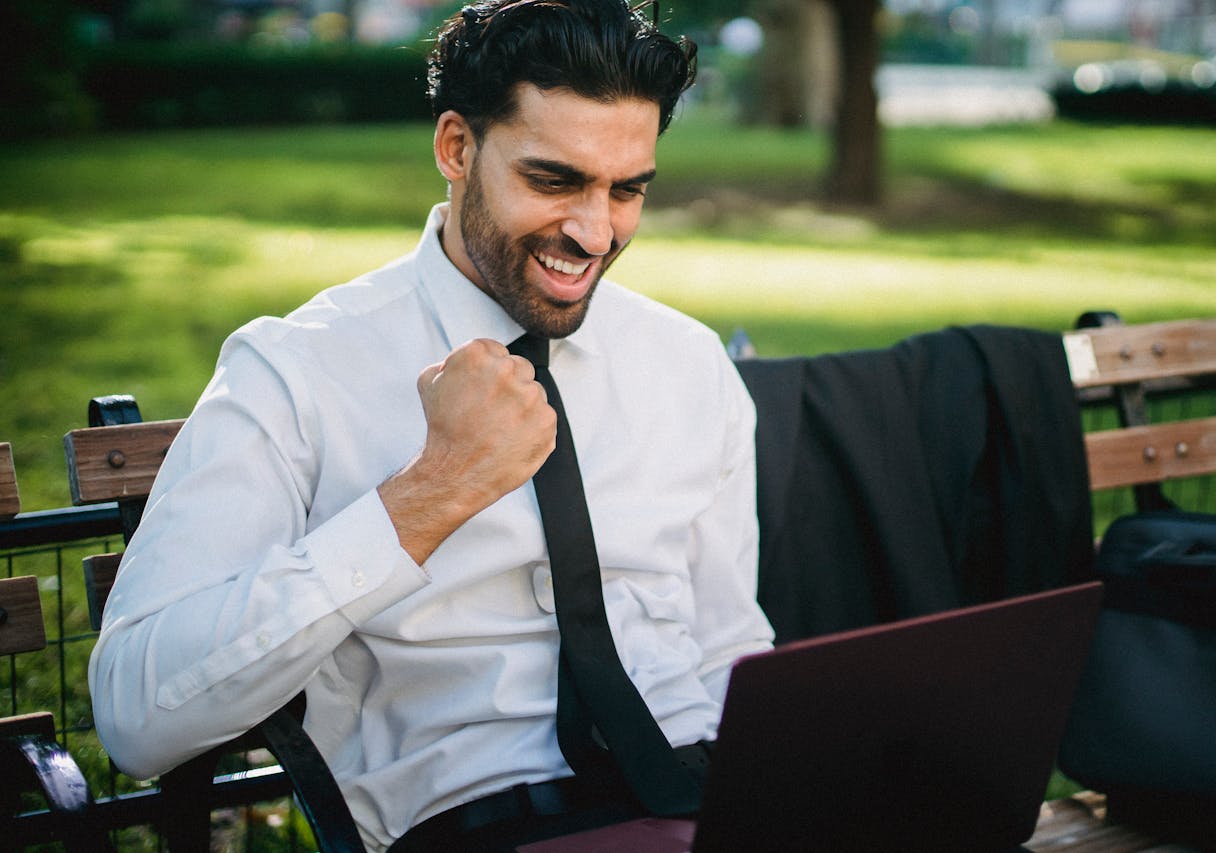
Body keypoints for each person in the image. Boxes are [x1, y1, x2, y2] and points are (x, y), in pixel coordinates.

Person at [87, 1, 775, 850]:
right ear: (456, 148)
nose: (595, 232)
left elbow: (726, 645)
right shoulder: (297, 373)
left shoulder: (685, 361)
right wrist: (425, 497)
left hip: (707, 797)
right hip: (477, 818)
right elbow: (131, 716)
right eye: (554, 181)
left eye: (626, 189)